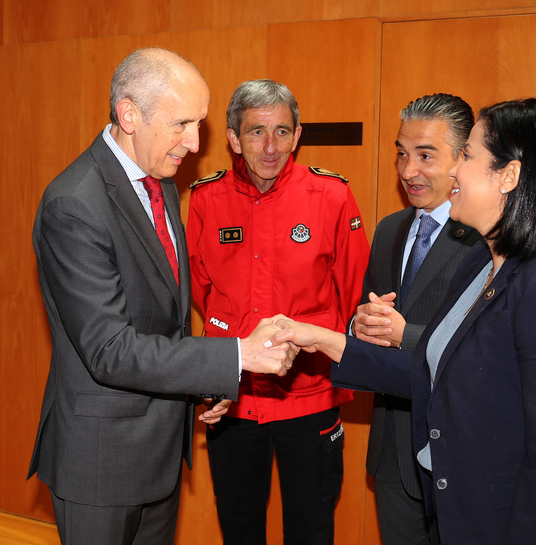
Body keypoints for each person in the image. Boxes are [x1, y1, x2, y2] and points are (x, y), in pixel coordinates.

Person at [269, 98, 536, 545]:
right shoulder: (481, 267)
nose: (454, 172)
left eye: (467, 156)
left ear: (510, 175)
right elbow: (436, 373)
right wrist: (323, 339)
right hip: (459, 507)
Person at [27, 48, 296, 545]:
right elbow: (110, 350)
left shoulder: (160, 184)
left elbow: (161, 323)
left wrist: (201, 386)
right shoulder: (74, 204)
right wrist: (237, 355)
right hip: (101, 464)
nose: (195, 143)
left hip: (160, 453)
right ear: (129, 115)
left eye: (200, 123)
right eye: (181, 124)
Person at [187, 79, 370, 544]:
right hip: (234, 399)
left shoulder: (331, 196)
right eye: (256, 132)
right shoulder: (206, 199)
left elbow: (355, 293)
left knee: (311, 529)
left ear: (298, 134)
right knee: (239, 525)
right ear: (233, 137)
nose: (271, 147)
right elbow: (199, 290)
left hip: (309, 398)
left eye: (282, 132)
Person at [350, 93, 481, 545]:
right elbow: (368, 316)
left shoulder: (486, 236)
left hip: (456, 451)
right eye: (402, 154)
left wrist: (407, 335)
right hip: (391, 449)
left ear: (463, 159)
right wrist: (359, 324)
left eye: (426, 155)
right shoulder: (389, 229)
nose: (408, 171)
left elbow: (489, 344)